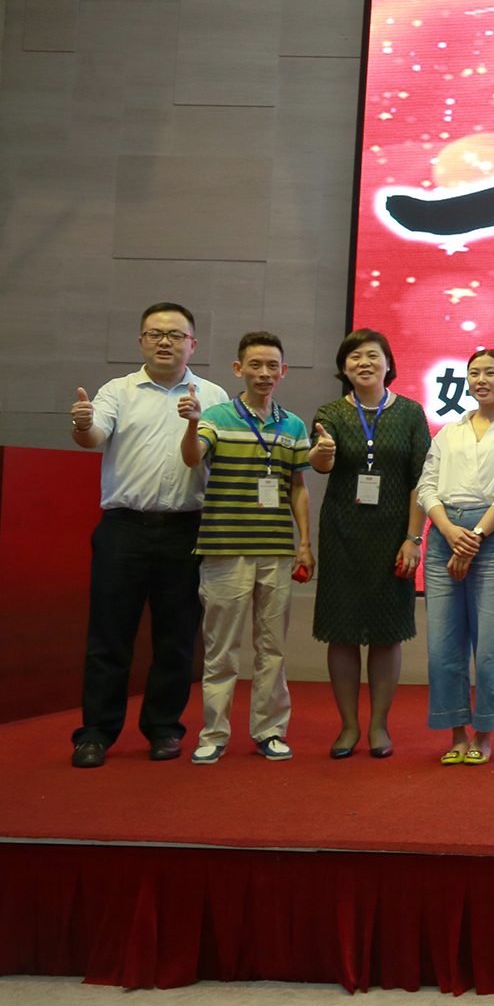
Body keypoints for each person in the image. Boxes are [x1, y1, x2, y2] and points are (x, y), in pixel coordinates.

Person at [67, 303, 231, 768]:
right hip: (124, 530)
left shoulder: (213, 395)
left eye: (176, 335)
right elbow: (93, 437)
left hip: (186, 530)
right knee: (109, 636)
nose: (165, 342)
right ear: (140, 341)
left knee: (176, 640)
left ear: (192, 344)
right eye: (155, 333)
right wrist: (83, 424)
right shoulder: (117, 390)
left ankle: (163, 729)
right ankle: (95, 733)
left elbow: (223, 460)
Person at [178, 332, 313, 764]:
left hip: (276, 550)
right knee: (221, 648)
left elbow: (298, 487)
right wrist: (191, 423)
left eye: (272, 365)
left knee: (272, 648)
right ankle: (214, 733)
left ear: (283, 371)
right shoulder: (215, 417)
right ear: (239, 369)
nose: (264, 373)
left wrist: (304, 543)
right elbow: (191, 458)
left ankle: (269, 731)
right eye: (255, 364)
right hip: (224, 549)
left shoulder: (293, 425)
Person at [309, 328, 432, 759]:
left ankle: (379, 725)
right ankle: (348, 726)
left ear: (388, 363)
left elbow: (421, 480)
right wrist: (322, 452)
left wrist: (413, 538)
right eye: (355, 356)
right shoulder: (330, 413)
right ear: (343, 367)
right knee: (342, 633)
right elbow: (320, 463)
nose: (364, 362)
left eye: (373, 355)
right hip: (342, 534)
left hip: (393, 537)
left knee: (386, 634)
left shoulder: (411, 413)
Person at [417, 348, 494, 767]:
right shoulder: (448, 432)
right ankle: (456, 733)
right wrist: (449, 531)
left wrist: (474, 536)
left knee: (490, 646)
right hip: (443, 536)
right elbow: (426, 486)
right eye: (474, 373)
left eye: (491, 372)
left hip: (492, 536)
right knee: (443, 646)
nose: (481, 379)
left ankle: (484, 733)